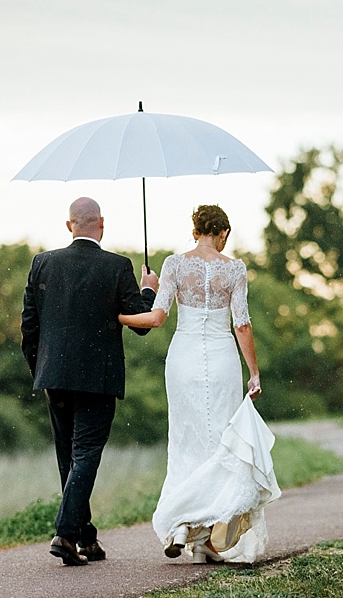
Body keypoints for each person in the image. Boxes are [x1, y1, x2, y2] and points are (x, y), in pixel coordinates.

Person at [119, 204, 279, 564]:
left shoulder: (175, 265)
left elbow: (156, 318)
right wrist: (254, 371)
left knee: (186, 440)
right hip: (222, 360)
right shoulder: (235, 269)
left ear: (195, 232)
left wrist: (119, 316)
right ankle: (203, 533)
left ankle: (184, 528)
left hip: (184, 360)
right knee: (221, 442)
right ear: (223, 233)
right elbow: (242, 324)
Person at [21, 197, 160, 566]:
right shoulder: (117, 266)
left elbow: (28, 328)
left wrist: (43, 370)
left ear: (69, 225)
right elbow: (141, 323)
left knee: (68, 456)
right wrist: (149, 288)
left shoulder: (42, 263)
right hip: (97, 380)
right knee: (84, 454)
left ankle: (86, 538)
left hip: (53, 377)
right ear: (102, 223)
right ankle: (66, 534)